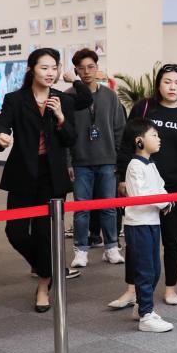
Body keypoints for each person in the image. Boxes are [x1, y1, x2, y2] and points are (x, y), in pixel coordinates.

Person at [0, 48, 92, 311]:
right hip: (22, 173)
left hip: (51, 176)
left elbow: (70, 138)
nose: (50, 73)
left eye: (54, 68)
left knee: (44, 233)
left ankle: (44, 285)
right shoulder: (15, 99)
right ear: (31, 69)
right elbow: (1, 123)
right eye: (44, 67)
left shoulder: (63, 100)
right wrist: (1, 136)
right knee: (15, 233)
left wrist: (60, 117)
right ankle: (46, 267)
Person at [111, 64, 177, 310]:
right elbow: (127, 144)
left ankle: (170, 288)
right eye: (167, 81)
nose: (172, 87)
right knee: (136, 241)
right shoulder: (144, 108)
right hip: (140, 187)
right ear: (158, 84)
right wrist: (123, 178)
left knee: (172, 240)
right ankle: (131, 289)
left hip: (173, 188)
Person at [68, 49, 126, 269]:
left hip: (108, 161)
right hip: (81, 162)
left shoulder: (110, 96)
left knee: (109, 207)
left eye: (90, 67)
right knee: (82, 209)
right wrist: (68, 162)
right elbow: (64, 132)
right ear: (76, 71)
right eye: (81, 68)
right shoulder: (69, 96)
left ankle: (111, 247)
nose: (86, 72)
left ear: (97, 68)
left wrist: (119, 161)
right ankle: (81, 250)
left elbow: (119, 129)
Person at [121, 117, 174, 333]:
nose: (159, 139)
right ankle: (146, 316)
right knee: (145, 270)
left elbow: (160, 188)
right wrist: (164, 202)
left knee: (154, 269)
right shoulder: (135, 165)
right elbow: (142, 195)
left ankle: (141, 306)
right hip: (138, 225)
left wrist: (167, 201)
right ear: (139, 141)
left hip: (152, 222)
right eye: (154, 135)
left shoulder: (150, 164)